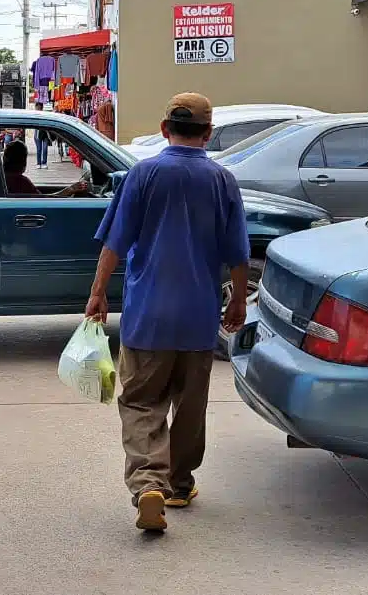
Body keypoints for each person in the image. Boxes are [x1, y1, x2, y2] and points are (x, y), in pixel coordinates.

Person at [85, 92, 249, 533]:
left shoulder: (142, 174)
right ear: (208, 134)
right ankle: (178, 483)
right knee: (190, 406)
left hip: (147, 316)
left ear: (164, 129)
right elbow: (237, 252)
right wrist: (236, 300)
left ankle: (147, 483)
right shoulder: (222, 180)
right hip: (197, 316)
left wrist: (98, 292)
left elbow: (115, 242)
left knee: (141, 402)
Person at [3, 141, 85, 197]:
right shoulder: (20, 182)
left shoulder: (2, 179)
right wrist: (70, 189)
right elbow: (44, 200)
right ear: (22, 160)